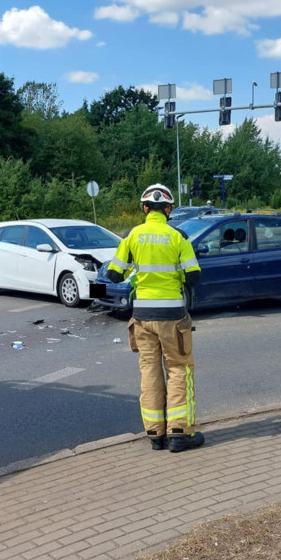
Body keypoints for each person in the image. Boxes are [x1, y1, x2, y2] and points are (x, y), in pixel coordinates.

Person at [107, 184, 204, 452]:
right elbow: (194, 276)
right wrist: (176, 275)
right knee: (178, 369)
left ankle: (155, 434)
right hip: (172, 316)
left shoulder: (132, 235)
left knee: (149, 371)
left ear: (145, 208)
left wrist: (137, 275)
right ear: (169, 209)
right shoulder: (178, 236)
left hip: (142, 316)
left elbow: (114, 274)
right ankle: (179, 433)